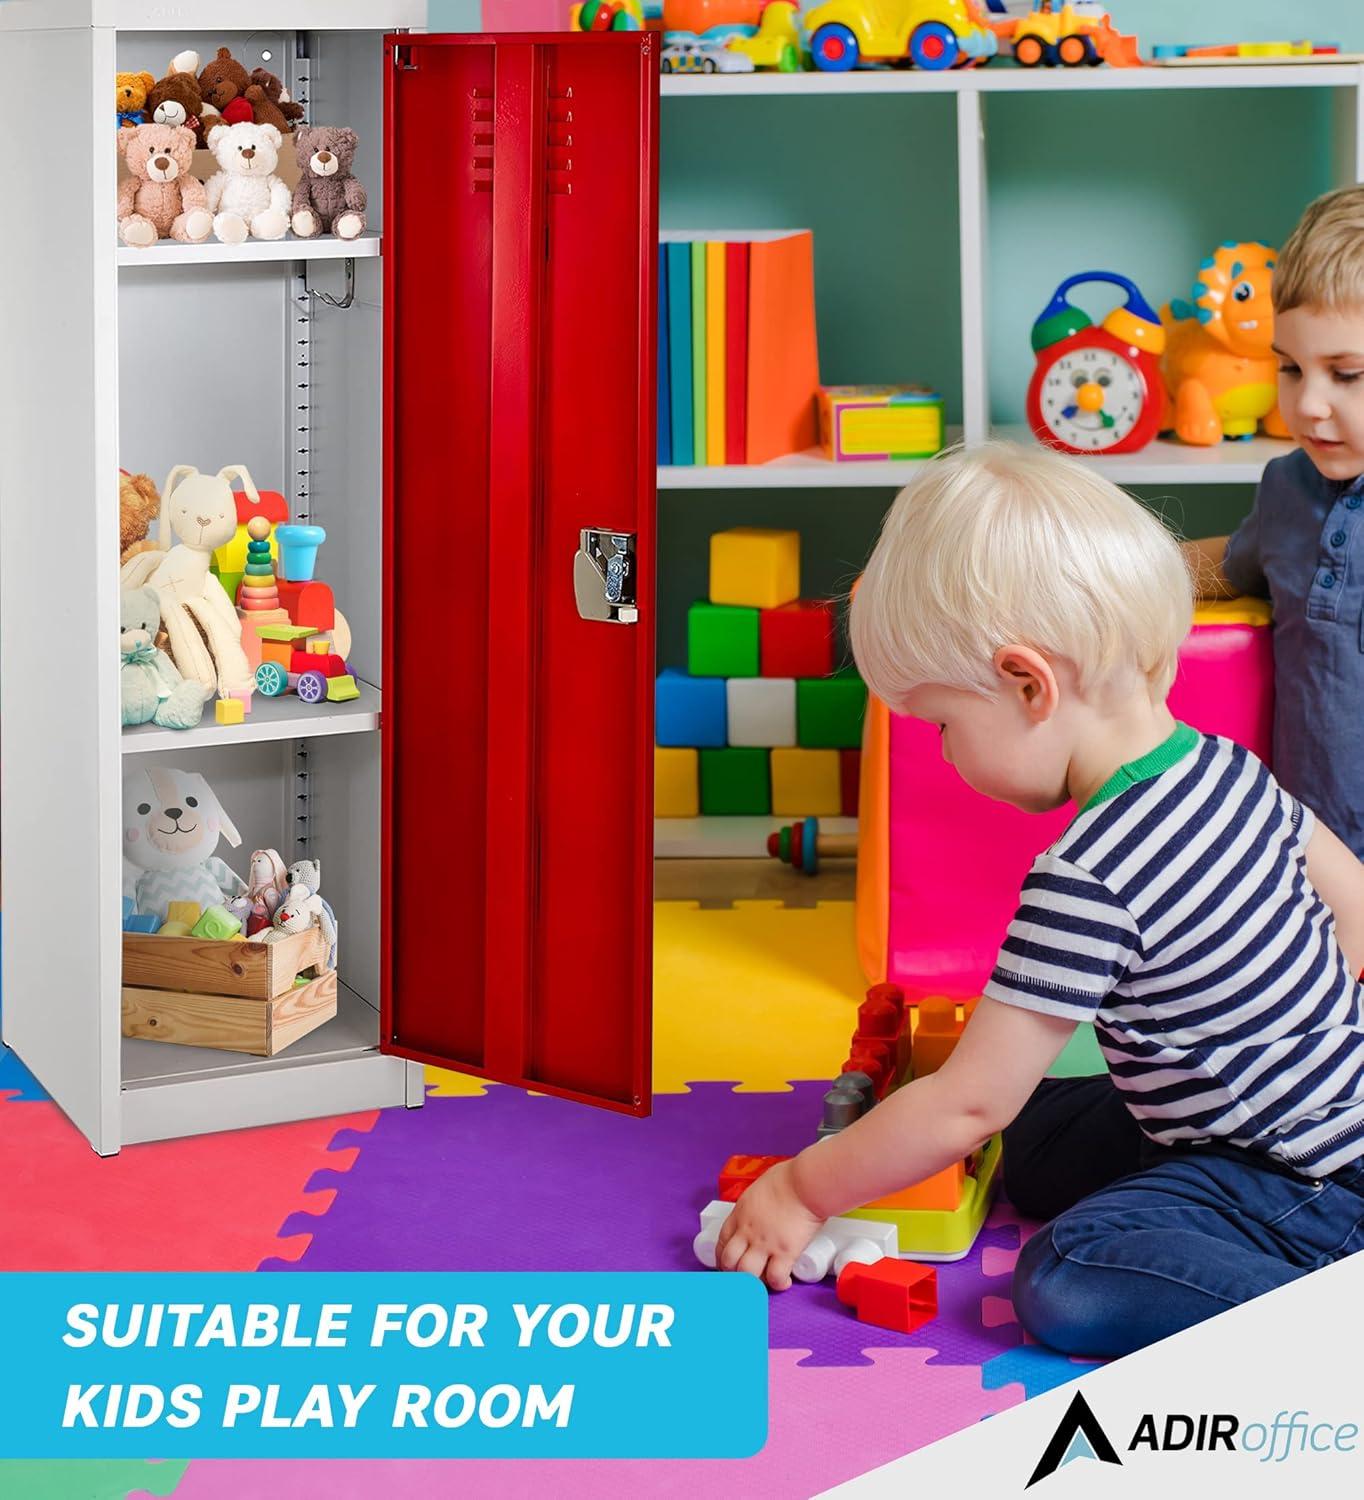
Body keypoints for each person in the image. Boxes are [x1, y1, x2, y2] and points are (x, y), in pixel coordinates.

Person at [713, 442, 1364, 1357]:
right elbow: (1356, 905)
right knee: (1038, 1138)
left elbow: (964, 1107)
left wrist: (801, 1189)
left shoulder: (1087, 873)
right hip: (1314, 1119)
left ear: (1028, 684)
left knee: (1069, 1273)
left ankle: (1331, 1324)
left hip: (1303, 1182)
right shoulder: (1226, 765)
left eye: (943, 723)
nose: (941, 752)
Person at [1184, 184, 1364, 855]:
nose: (1309, 404)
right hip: (1312, 850)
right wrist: (1101, 567)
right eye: (1290, 368)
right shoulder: (1286, 488)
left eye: (1346, 375)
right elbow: (1230, 565)